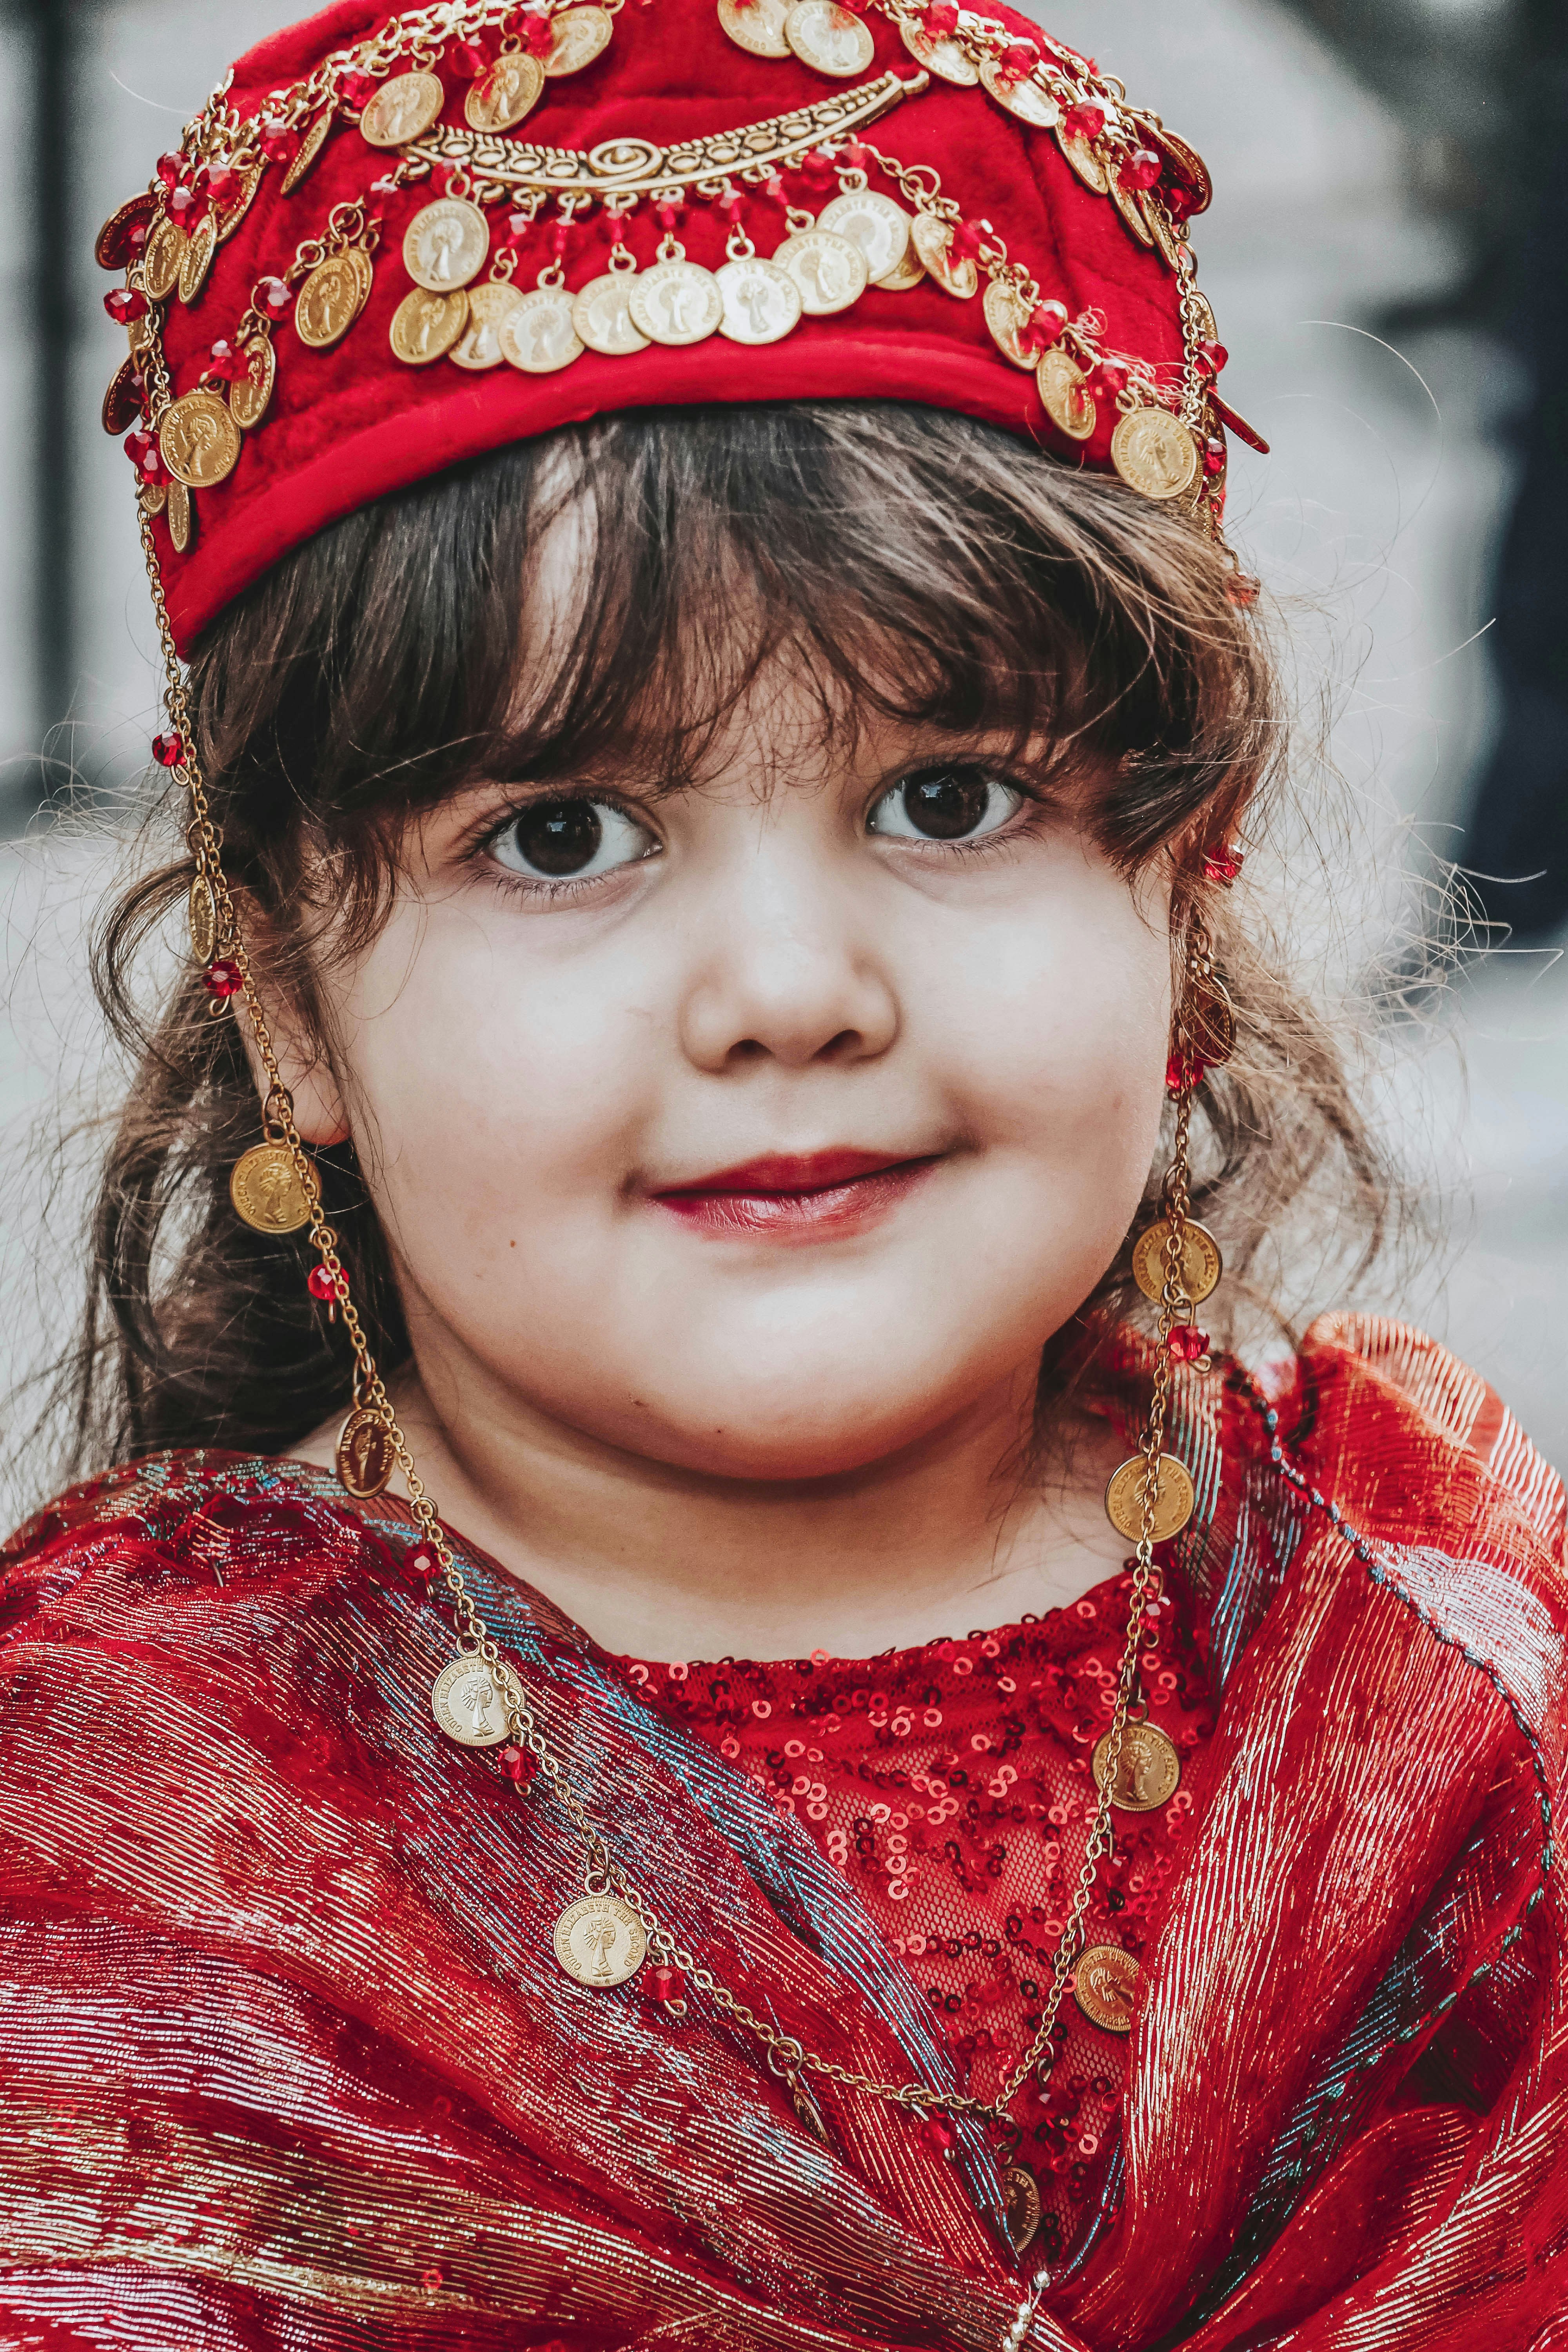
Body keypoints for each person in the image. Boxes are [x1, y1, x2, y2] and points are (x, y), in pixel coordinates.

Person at [3, 1, 1565, 2344]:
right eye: (562, 835)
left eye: (949, 799)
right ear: (290, 993)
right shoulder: (133, 1849)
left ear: (1182, 885)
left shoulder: (1436, 1674)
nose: (788, 992)